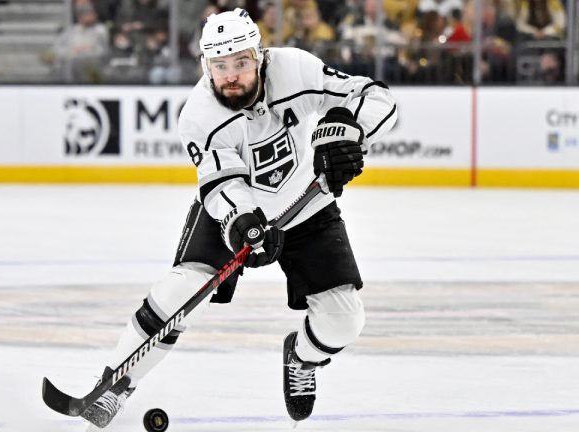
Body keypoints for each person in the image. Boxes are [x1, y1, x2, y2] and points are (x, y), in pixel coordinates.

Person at [76, 8, 398, 429]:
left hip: (308, 205)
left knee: (344, 320)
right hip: (233, 214)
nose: (231, 75)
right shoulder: (199, 116)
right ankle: (116, 385)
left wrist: (350, 129)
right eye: (220, 65)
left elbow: (375, 96)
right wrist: (243, 222)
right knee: (179, 291)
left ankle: (301, 358)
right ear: (204, 66)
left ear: (260, 56)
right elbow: (221, 185)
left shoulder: (295, 69)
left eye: (241, 62)